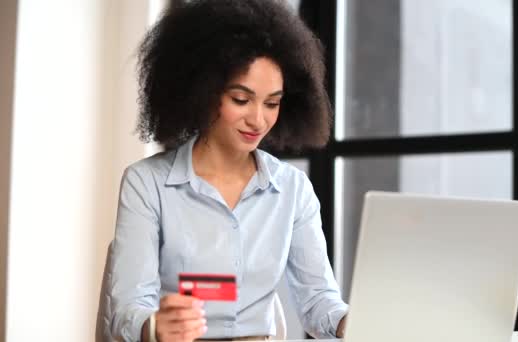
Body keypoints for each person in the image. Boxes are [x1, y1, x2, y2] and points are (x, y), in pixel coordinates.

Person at [104, 0, 348, 341]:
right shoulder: (147, 183)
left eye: (272, 103)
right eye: (241, 99)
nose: (258, 119)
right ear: (202, 91)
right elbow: (127, 310)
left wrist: (348, 322)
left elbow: (318, 300)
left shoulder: (293, 189)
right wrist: (156, 326)